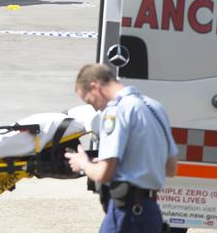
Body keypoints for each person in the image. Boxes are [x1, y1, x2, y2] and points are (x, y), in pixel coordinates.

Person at [65, 64, 178, 232]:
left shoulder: (115, 111)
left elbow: (104, 174)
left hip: (127, 213)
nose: (95, 108)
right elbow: (170, 168)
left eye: (90, 101)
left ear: (95, 87)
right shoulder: (155, 108)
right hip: (151, 213)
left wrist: (83, 163)